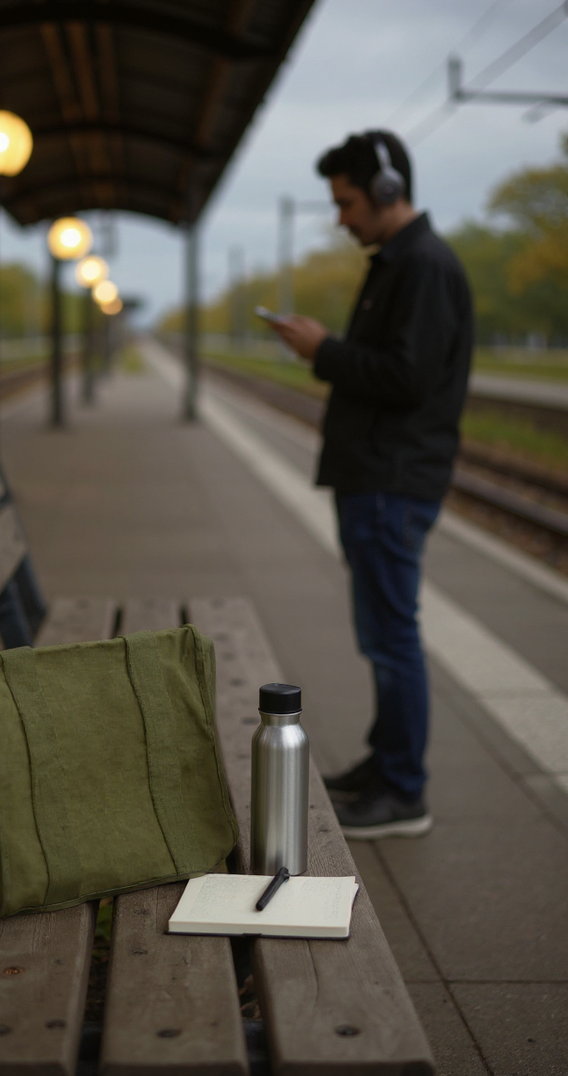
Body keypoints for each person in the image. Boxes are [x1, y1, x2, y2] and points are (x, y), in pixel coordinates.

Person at [270, 130, 473, 839]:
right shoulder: (400, 262)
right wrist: (328, 349)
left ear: (387, 191)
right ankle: (384, 763)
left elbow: (408, 378)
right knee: (381, 634)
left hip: (391, 479)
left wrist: (324, 350)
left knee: (392, 638)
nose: (340, 218)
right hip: (376, 477)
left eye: (347, 201)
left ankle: (403, 790)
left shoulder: (421, 266)